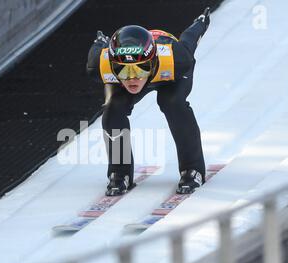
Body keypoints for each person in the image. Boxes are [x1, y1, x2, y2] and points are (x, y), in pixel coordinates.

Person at [86, 8, 211, 196]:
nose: (132, 78)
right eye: (123, 70)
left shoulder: (175, 59)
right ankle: (119, 173)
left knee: (172, 102)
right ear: (112, 66)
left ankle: (192, 168)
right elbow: (98, 48)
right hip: (151, 70)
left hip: (169, 76)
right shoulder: (99, 65)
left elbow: (189, 40)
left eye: (140, 68)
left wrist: (200, 23)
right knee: (113, 109)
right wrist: (101, 41)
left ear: (152, 63)